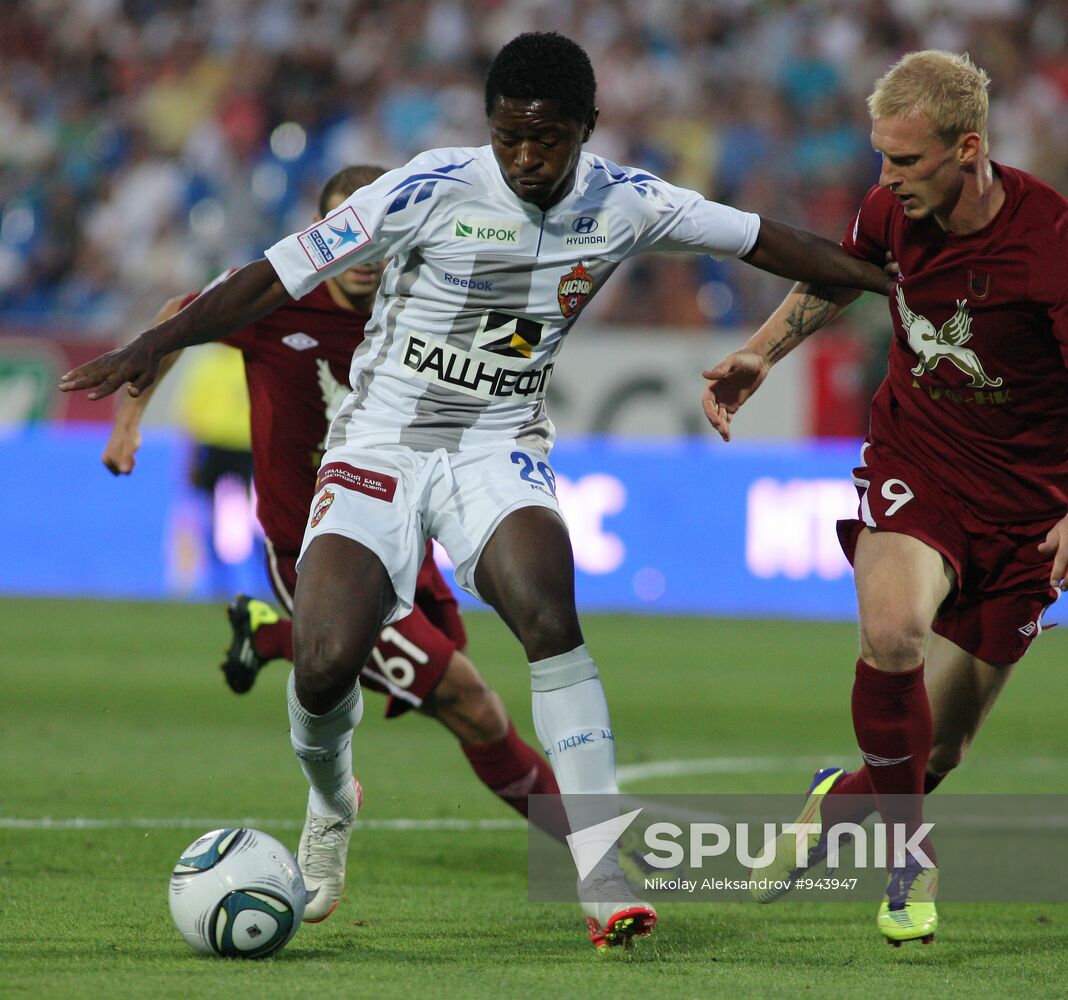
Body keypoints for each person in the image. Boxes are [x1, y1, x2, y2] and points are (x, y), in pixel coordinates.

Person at [61, 31, 887, 951]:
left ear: (588, 128)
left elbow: (769, 242)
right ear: (488, 129)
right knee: (328, 659)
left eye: (548, 141)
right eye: (509, 140)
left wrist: (892, 277)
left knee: (547, 609)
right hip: (379, 445)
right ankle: (330, 806)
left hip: (497, 448)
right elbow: (272, 274)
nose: (527, 160)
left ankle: (599, 868)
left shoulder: (628, 201)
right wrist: (147, 347)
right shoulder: (427, 187)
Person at [702, 50, 1068, 945]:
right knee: (894, 630)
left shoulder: (1049, 237)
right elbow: (837, 275)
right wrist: (761, 350)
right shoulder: (889, 212)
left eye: (905, 162)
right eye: (880, 157)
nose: (885, 179)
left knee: (937, 750)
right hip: (919, 460)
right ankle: (907, 859)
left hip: (1028, 507)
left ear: (967, 148)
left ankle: (843, 803)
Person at [101, 165, 564, 921]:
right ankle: (584, 851)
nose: (371, 255)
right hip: (314, 553)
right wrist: (130, 421)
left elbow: (509, 348)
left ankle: (272, 640)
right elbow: (177, 318)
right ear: (321, 238)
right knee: (471, 705)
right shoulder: (273, 297)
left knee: (451, 676)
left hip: (408, 543)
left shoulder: (423, 301)